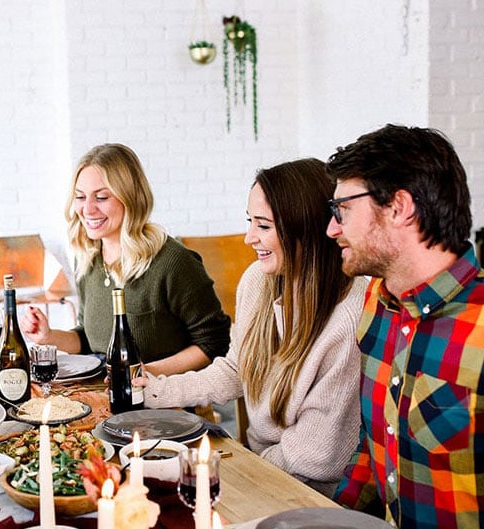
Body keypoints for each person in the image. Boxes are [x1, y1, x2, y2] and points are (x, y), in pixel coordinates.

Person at [137, 158, 367, 495]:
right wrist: (154, 391)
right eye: (250, 222)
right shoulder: (258, 281)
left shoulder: (349, 314)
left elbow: (314, 455)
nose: (248, 238)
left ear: (303, 227)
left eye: (263, 226)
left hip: (313, 493)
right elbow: (236, 369)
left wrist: (235, 470)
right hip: (261, 466)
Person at [326, 124, 484, 528]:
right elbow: (376, 442)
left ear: (399, 207)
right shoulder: (378, 302)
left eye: (342, 210)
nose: (332, 228)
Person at [21, 143, 230, 376]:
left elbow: (214, 342)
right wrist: (48, 336)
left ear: (130, 198)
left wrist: (142, 373)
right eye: (80, 197)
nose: (87, 209)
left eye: (101, 197)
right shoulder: (88, 259)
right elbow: (90, 340)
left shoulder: (173, 262)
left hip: (162, 404)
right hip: (105, 395)